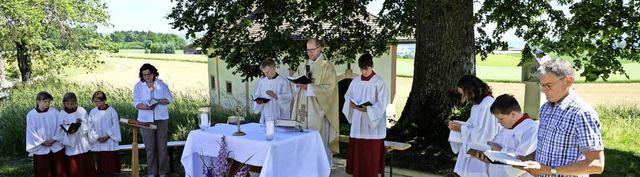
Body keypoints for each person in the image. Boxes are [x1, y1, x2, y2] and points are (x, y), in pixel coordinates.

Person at [518, 59, 605, 176]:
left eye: (548, 85)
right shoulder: (546, 108)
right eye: (542, 85)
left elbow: (596, 165)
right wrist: (525, 159)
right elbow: (545, 146)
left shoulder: (582, 113)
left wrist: (548, 170)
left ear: (568, 81)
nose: (543, 90)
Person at [290, 38, 340, 162]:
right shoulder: (303, 65)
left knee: (318, 143)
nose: (310, 53)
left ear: (320, 48)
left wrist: (310, 88)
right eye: (308, 50)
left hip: (318, 112)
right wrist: (297, 84)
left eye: (312, 50)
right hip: (303, 109)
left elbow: (330, 89)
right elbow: (295, 80)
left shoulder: (327, 67)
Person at [341, 53, 389, 177]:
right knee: (359, 156)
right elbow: (348, 96)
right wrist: (350, 104)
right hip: (358, 124)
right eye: (361, 68)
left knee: (370, 157)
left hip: (372, 126)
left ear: (372, 65)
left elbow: (383, 104)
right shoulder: (356, 81)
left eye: (366, 68)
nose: (363, 71)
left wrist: (368, 110)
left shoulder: (379, 82)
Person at [448, 75, 502, 177]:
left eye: (463, 94)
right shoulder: (478, 105)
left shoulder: (487, 105)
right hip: (473, 149)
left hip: (481, 150)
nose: (463, 98)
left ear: (470, 91)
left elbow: (485, 132)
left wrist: (460, 128)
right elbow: (473, 126)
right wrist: (459, 126)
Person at [474, 94, 538, 177]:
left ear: (513, 114)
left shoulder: (532, 129)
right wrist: (489, 157)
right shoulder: (508, 126)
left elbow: (523, 159)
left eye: (501, 119)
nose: (498, 122)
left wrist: (500, 151)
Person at [133, 63, 173, 177]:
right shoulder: (138, 86)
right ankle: (151, 172)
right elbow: (136, 102)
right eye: (144, 75)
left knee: (162, 146)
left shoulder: (162, 84)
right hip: (145, 119)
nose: (147, 77)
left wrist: (159, 101)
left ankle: (163, 172)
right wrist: (146, 107)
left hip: (161, 118)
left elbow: (169, 99)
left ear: (154, 73)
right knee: (150, 147)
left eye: (149, 74)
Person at [26, 91, 67, 177]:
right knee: (43, 170)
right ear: (38, 101)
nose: (47, 104)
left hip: (55, 144)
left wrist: (55, 138)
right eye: (45, 102)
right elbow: (31, 131)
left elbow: (60, 126)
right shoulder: (31, 115)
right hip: (41, 146)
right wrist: (42, 142)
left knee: (58, 169)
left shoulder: (54, 112)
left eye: (49, 102)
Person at [59, 92, 98, 177]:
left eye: (72, 103)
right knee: (74, 167)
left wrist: (81, 123)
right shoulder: (62, 113)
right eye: (67, 103)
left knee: (85, 164)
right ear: (64, 103)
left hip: (82, 140)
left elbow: (88, 124)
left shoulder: (81, 111)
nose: (69, 105)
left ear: (76, 102)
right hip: (71, 142)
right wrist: (68, 130)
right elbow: (60, 127)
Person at [89, 91, 122, 176]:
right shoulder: (93, 112)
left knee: (109, 163)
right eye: (94, 101)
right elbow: (90, 126)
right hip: (98, 141)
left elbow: (115, 125)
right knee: (100, 163)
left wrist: (108, 136)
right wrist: (96, 137)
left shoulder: (111, 111)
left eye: (98, 101)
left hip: (109, 141)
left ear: (104, 101)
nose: (96, 103)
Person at [252, 58, 293, 123]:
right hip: (266, 114)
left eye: (267, 72)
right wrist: (258, 102)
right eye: (264, 72)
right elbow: (257, 96)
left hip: (279, 116)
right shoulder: (262, 82)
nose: (266, 74)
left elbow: (288, 97)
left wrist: (275, 96)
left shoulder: (282, 82)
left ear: (274, 68)